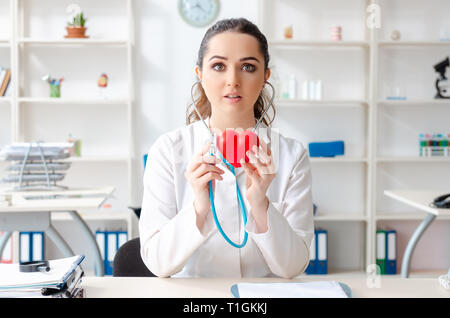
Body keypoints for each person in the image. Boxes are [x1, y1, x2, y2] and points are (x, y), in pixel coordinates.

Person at [139, 18, 314, 278]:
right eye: (219, 66)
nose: (233, 80)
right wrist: (199, 207)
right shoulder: (168, 150)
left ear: (266, 76)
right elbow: (158, 263)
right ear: (200, 75)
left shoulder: (291, 155)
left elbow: (293, 267)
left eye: (247, 67)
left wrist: (260, 205)